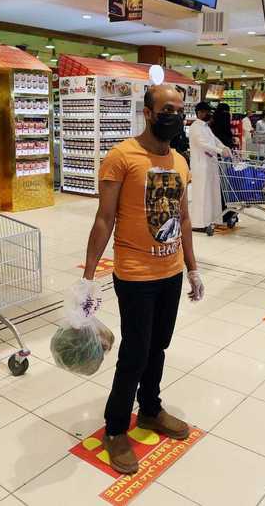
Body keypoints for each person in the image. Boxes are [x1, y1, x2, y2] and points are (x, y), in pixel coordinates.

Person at [81, 84, 203, 475]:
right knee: (135, 351)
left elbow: (183, 218)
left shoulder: (181, 162)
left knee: (159, 347)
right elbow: (104, 219)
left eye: (180, 109)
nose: (176, 115)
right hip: (134, 274)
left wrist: (193, 267)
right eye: (168, 108)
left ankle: (150, 409)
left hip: (170, 272)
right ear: (148, 113)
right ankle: (116, 428)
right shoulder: (121, 157)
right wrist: (87, 277)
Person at [189, 101, 231, 231]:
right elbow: (202, 143)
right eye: (207, 112)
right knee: (201, 194)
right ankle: (198, 223)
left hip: (211, 164)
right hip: (201, 165)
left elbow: (214, 140)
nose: (209, 114)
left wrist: (223, 147)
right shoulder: (195, 127)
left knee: (211, 193)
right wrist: (219, 151)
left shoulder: (206, 126)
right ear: (200, 113)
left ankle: (212, 219)